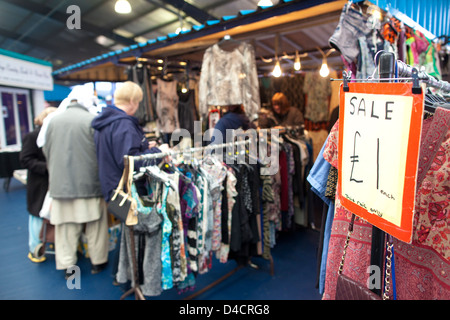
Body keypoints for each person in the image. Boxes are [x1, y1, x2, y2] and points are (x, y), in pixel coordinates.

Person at [42, 99, 109, 279]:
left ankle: (68, 267)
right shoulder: (92, 121)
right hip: (89, 184)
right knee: (96, 226)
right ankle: (98, 262)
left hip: (61, 185)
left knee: (65, 229)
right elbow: (101, 153)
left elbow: (46, 150)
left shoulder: (53, 121)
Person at [91, 81, 163, 204]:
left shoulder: (107, 121)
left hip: (112, 185)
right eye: (138, 102)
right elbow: (130, 161)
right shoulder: (123, 124)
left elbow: (116, 152)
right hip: (127, 191)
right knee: (138, 222)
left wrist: (144, 147)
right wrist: (159, 153)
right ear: (131, 101)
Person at [20, 107, 57, 263]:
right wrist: (47, 166)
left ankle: (49, 241)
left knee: (49, 214)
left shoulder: (53, 135)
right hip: (38, 183)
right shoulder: (32, 136)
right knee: (36, 215)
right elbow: (25, 159)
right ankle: (35, 249)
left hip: (51, 182)